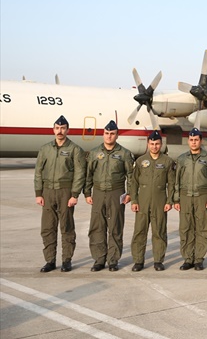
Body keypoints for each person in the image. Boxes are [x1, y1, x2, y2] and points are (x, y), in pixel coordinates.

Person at [34, 115, 86, 273]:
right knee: (48, 228)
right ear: (53, 129)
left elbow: (80, 173)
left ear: (67, 130)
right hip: (48, 192)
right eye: (57, 128)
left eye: (63, 128)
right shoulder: (45, 149)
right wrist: (38, 193)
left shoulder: (75, 149)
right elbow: (38, 172)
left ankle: (66, 260)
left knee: (67, 227)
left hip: (65, 192)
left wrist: (75, 194)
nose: (60, 131)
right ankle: (50, 261)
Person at [84, 120, 135, 272]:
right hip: (98, 192)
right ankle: (99, 259)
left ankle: (113, 260)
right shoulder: (94, 153)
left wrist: (130, 193)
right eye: (107, 133)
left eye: (112, 134)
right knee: (97, 227)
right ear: (103, 134)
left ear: (117, 135)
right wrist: (87, 192)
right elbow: (89, 174)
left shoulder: (124, 153)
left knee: (115, 227)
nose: (109, 136)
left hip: (116, 192)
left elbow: (131, 175)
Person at [173, 128, 207, 271]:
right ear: (188, 141)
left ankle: (199, 259)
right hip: (186, 196)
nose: (194, 142)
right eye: (191, 140)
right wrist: (176, 199)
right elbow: (176, 181)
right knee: (186, 228)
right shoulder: (182, 159)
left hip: (203, 196)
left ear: (201, 141)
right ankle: (188, 258)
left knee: (202, 228)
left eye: (196, 140)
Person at [130, 130, 176, 272]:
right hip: (143, 201)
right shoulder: (140, 161)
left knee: (159, 231)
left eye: (157, 144)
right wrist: (134, 201)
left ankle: (158, 260)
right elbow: (133, 183)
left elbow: (172, 184)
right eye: (152, 144)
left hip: (159, 201)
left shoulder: (167, 162)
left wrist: (170, 201)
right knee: (139, 232)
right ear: (148, 144)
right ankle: (138, 261)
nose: (154, 146)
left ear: (161, 144)